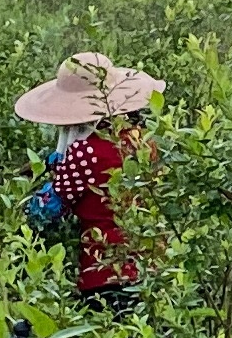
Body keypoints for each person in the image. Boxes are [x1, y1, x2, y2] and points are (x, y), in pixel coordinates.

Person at [17, 51, 160, 303]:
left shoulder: (84, 152)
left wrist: (28, 199)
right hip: (152, 269)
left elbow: (49, 210)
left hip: (103, 273)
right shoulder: (145, 142)